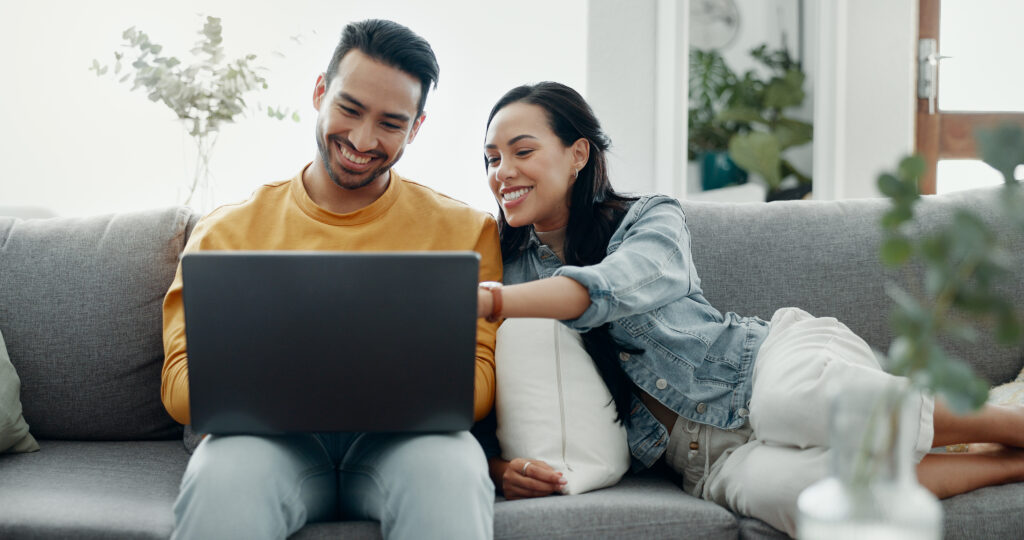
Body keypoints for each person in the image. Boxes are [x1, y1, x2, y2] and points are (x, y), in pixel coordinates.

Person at [473, 81, 1024, 535]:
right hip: (705, 460)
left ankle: (1012, 424)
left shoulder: (649, 219)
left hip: (763, 365)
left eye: (522, 151)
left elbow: (607, 289)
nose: (503, 172)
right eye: (492, 159)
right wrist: (501, 470)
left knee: (792, 404)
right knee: (808, 497)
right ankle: (1012, 463)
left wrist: (492, 301)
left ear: (577, 153)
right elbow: (491, 401)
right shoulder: (505, 266)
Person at [161, 19, 501, 540]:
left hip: (410, 445)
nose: (363, 140)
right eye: (349, 109)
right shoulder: (225, 231)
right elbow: (181, 387)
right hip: (265, 444)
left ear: (416, 127)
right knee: (221, 480)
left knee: (452, 471)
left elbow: (477, 381)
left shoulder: (465, 230)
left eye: (391, 123)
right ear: (320, 92)